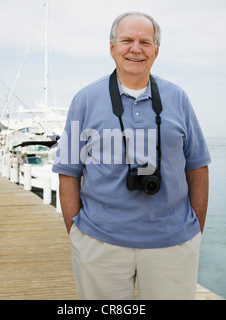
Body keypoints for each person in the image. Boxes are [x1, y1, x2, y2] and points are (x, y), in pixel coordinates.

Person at [52, 12, 211, 300]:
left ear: (156, 51)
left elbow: (198, 166)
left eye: (145, 42)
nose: (135, 48)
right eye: (126, 40)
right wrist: (77, 233)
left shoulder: (178, 98)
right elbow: (68, 171)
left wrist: (195, 231)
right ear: (112, 47)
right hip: (99, 243)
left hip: (173, 244)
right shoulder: (85, 100)